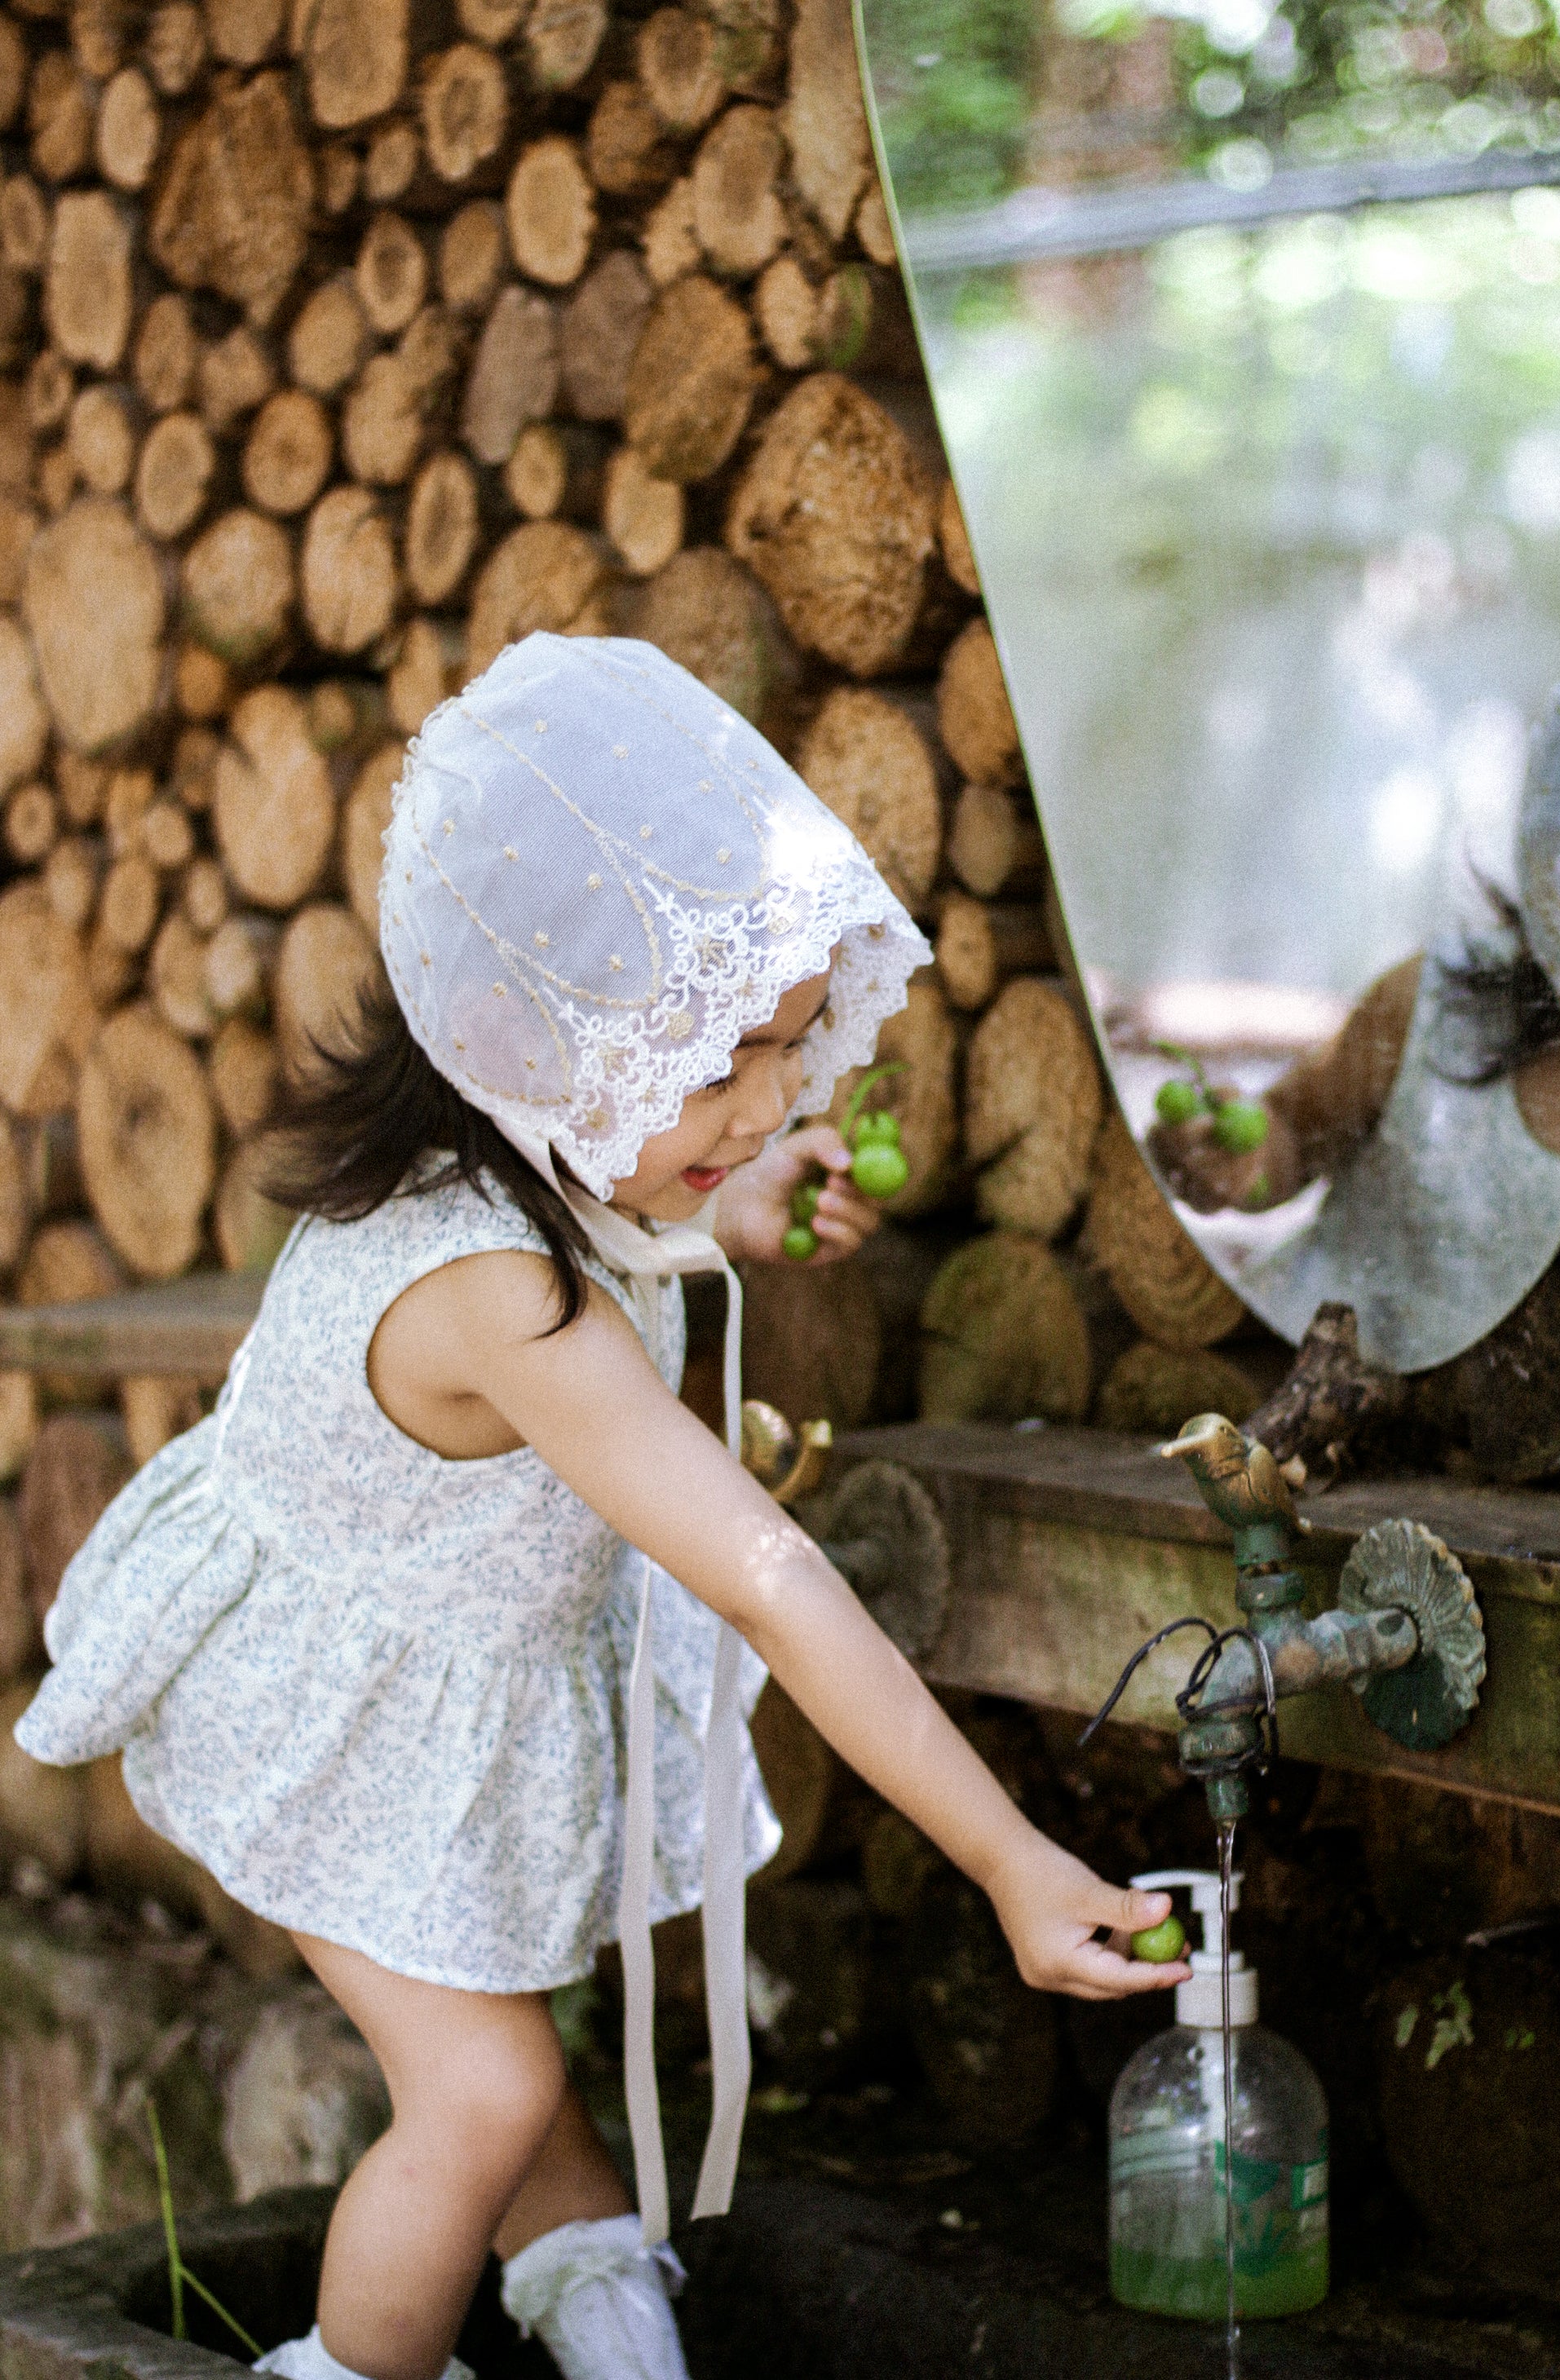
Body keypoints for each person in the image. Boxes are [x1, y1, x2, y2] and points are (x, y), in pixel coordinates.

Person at [15, 634, 1185, 2380]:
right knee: (477, 2089)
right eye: (722, 1073)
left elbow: (633, 1201)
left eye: (787, 1051)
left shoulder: (532, 1149)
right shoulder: (498, 1292)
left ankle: (604, 2311)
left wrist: (735, 1176)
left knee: (517, 2057)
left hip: (437, 1678)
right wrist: (1011, 1857)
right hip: (322, 1704)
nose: (778, 1099)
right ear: (546, 1049)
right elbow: (771, 1571)